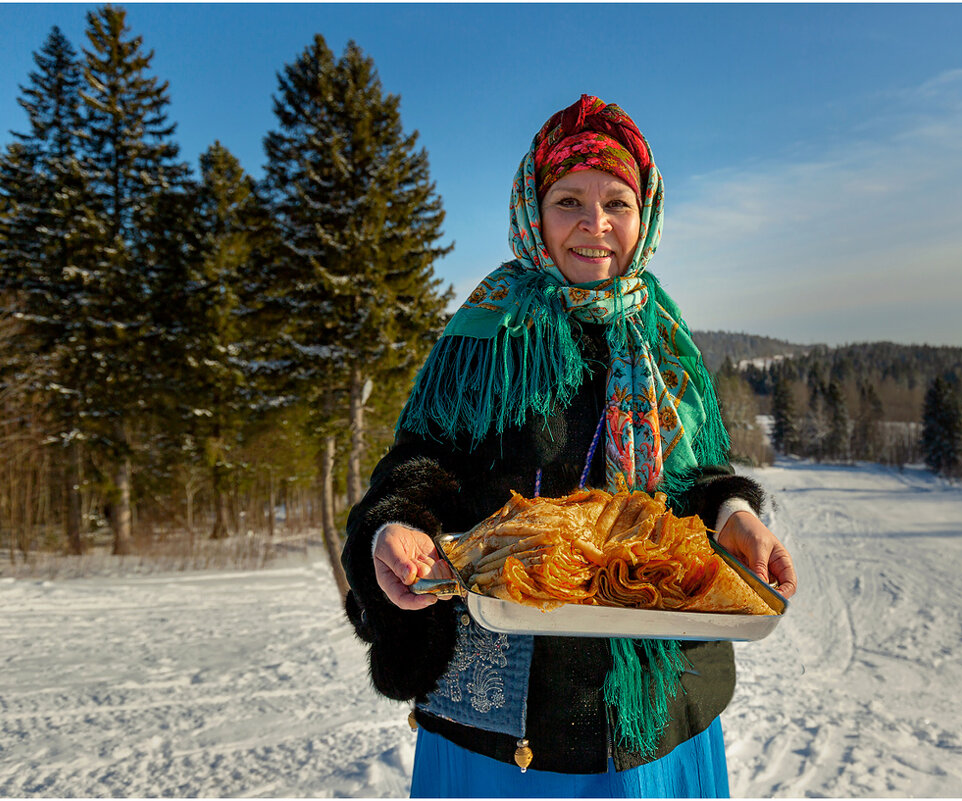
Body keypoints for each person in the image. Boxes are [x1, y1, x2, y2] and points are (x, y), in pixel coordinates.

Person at [340, 94, 798, 798]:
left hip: (653, 711)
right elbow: (421, 460)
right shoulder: (487, 332)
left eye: (616, 201)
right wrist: (395, 522)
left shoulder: (664, 340)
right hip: (506, 722)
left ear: (644, 214)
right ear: (533, 209)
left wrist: (734, 511)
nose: (595, 225)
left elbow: (700, 476)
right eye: (568, 201)